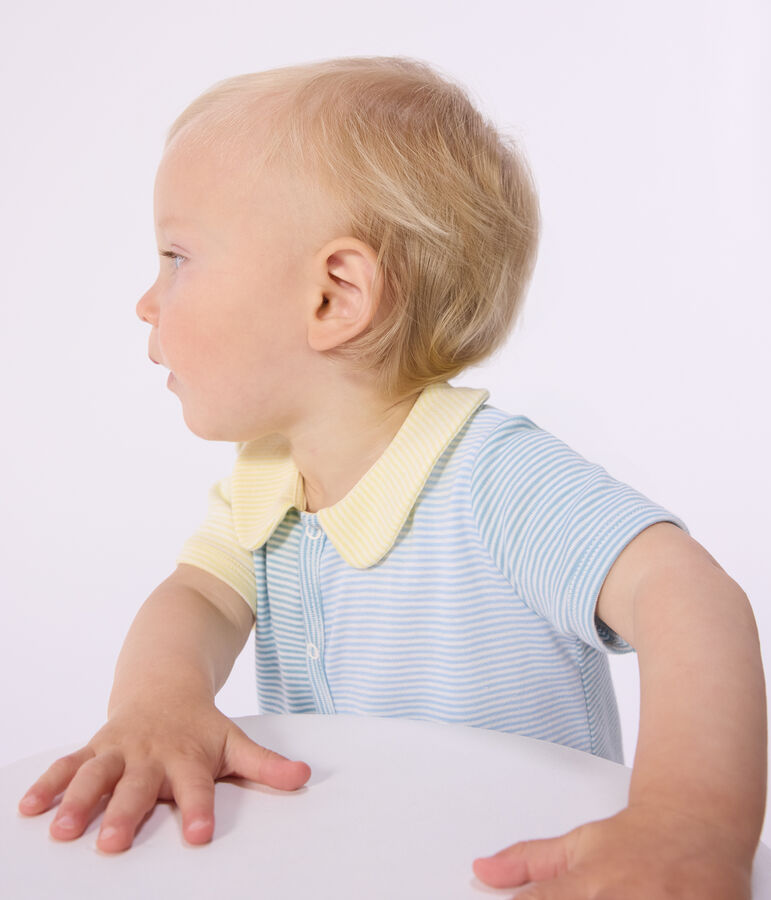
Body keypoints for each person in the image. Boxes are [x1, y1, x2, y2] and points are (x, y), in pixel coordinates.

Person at [18, 56, 766, 897]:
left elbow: (691, 599)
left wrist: (690, 822)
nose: (147, 302)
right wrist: (157, 703)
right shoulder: (266, 478)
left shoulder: (493, 478)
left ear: (335, 295)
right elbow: (198, 599)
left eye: (176, 257)